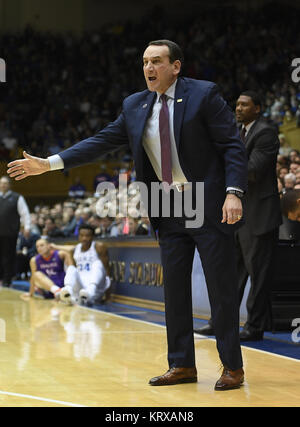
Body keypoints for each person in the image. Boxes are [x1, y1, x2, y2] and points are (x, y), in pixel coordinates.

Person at [7, 40, 248, 391]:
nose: (149, 68)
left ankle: (233, 367)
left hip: (207, 202)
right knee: (174, 291)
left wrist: (233, 192)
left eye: (157, 62)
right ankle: (181, 364)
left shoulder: (204, 95)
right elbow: (100, 141)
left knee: (220, 288)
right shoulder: (135, 106)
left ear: (176, 66)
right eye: (145, 62)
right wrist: (49, 164)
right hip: (167, 207)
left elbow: (232, 147)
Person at [195, 91, 282, 341]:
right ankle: (220, 322)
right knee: (229, 275)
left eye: (245, 105)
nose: (239, 108)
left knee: (258, 276)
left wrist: (224, 165)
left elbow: (252, 170)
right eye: (237, 105)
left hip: (259, 216)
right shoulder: (236, 132)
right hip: (236, 216)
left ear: (258, 108)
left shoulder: (265, 132)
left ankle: (254, 328)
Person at [52, 224, 111, 306]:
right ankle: (68, 290)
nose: (84, 238)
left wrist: (108, 296)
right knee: (71, 268)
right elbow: (74, 273)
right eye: (82, 235)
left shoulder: (99, 247)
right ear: (78, 236)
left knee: (97, 264)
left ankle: (90, 291)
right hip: (81, 288)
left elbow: (106, 270)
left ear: (92, 237)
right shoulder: (75, 250)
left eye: (87, 236)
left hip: (96, 286)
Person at [0, 176, 31, 287]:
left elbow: (25, 214)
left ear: (9, 185)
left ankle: (7, 280)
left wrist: (27, 227)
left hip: (10, 233)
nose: (3, 185)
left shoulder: (17, 197)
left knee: (8, 256)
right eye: (1, 183)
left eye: (5, 183)